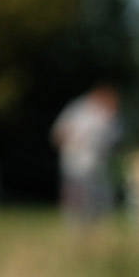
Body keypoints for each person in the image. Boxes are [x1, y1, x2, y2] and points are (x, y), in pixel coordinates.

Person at [51, 85, 120, 224]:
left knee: (99, 202)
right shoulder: (78, 110)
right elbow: (58, 135)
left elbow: (116, 140)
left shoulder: (110, 116)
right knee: (76, 200)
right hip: (75, 164)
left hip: (100, 167)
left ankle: (97, 232)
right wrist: (75, 141)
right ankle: (75, 229)